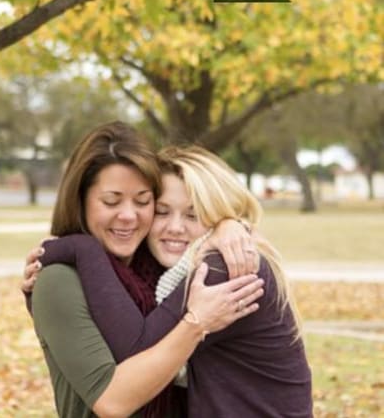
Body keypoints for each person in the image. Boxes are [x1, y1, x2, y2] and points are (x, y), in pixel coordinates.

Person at [30, 144, 313, 417]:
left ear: (218, 216)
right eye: (162, 211)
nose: (175, 228)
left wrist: (82, 248)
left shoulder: (224, 268)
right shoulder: (161, 271)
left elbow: (136, 349)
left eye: (194, 214)